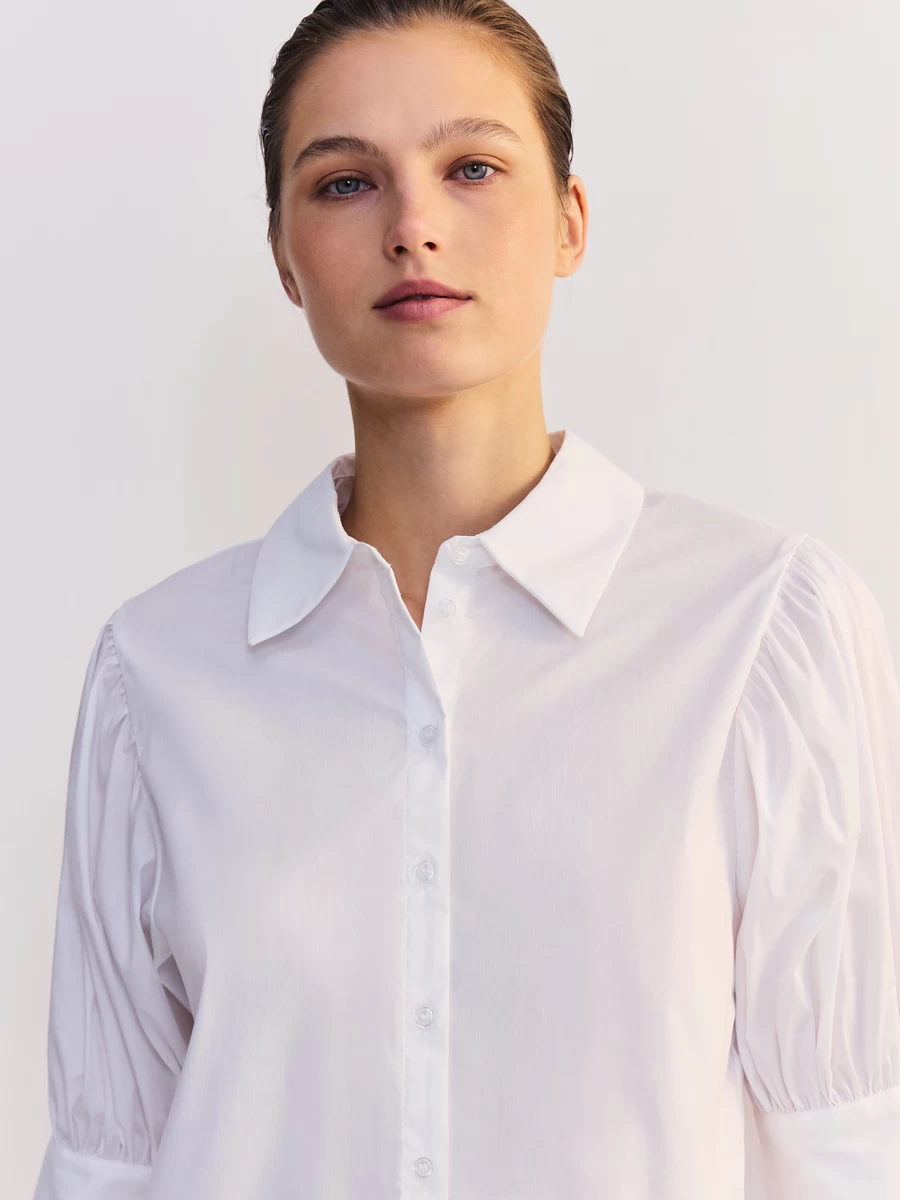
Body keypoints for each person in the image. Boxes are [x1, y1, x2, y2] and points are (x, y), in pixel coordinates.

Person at [33, 1, 900, 1197]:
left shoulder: (760, 630)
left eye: (473, 168)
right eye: (345, 183)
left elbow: (847, 1145)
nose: (415, 226)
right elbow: (109, 1160)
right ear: (283, 254)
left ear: (570, 220)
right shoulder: (157, 672)